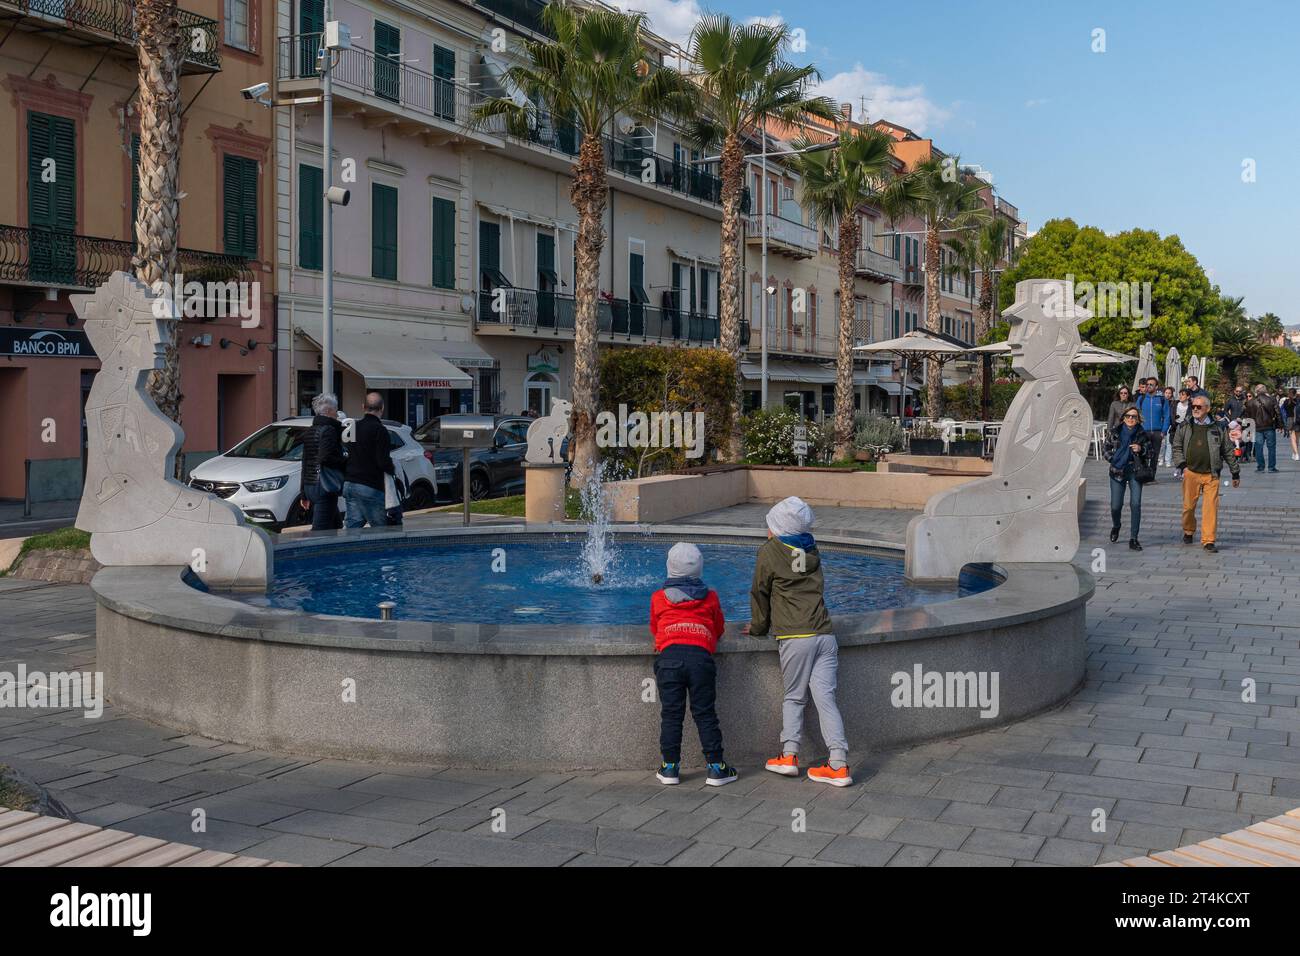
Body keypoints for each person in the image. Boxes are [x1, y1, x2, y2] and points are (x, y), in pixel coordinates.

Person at [742, 496, 851, 787]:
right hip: (825, 634)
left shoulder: (770, 551)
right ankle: (838, 764)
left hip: (796, 636)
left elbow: (759, 594)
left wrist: (757, 629)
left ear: (777, 528)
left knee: (794, 696)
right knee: (826, 699)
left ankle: (789, 756)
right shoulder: (812, 549)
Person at [648, 542, 736, 787]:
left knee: (672, 715)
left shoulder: (658, 598)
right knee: (705, 713)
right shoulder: (710, 597)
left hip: (669, 660)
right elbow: (719, 629)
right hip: (700, 660)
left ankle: (669, 768)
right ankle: (717, 768)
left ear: (669, 568)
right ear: (700, 569)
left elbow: (655, 629)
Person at [1173, 393, 1241, 552]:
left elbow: (1228, 451)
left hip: (1211, 475)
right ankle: (1188, 530)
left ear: (1207, 409)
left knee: (1210, 508)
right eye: (1193, 406)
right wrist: (1183, 466)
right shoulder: (1185, 426)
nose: (1195, 409)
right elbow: (1176, 446)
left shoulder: (1218, 427)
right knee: (1188, 507)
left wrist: (1235, 473)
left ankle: (1208, 540)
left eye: (1199, 407)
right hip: (1191, 473)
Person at [343, 391, 396, 528]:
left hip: (350, 484)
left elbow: (348, 452)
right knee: (381, 529)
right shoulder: (380, 430)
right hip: (369, 485)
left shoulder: (352, 427)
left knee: (352, 529)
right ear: (382, 408)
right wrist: (393, 470)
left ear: (363, 407)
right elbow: (382, 461)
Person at [1104, 406, 1154, 551]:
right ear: (1123, 418)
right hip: (1117, 470)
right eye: (1128, 416)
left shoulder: (1142, 434)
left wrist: (1141, 449)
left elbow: (1151, 453)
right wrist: (1113, 459)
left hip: (1135, 471)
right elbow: (1106, 449)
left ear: (1138, 419)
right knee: (1115, 506)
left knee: (1135, 504)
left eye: (1134, 417)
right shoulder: (1115, 432)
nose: (1131, 419)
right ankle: (1116, 525)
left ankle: (1133, 538)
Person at [299, 392, 346, 531]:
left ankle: (337, 551)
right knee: (320, 530)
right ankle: (312, 552)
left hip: (310, 485)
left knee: (336, 526)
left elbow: (305, 462)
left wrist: (303, 493)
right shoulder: (329, 430)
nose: (337, 414)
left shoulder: (310, 431)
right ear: (329, 411)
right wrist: (344, 459)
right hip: (325, 486)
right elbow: (325, 458)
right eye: (336, 410)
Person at [1134, 378, 1169, 476]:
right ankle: (1143, 473)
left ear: (1156, 387)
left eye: (1151, 384)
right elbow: (1136, 414)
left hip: (1157, 432)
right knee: (1143, 453)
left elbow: (1167, 416)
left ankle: (1152, 475)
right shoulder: (1141, 399)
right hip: (1143, 431)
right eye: (1147, 384)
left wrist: (1163, 431)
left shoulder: (1162, 399)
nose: (1148, 386)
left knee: (1155, 455)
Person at [1245, 384, 1280, 473]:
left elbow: (1247, 418)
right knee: (1271, 448)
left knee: (1258, 447)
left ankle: (1260, 467)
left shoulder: (1250, 402)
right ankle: (1271, 467)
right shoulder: (1271, 400)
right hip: (1269, 427)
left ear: (1256, 391)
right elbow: (1278, 413)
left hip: (1257, 428)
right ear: (1265, 390)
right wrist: (1280, 425)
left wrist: (1247, 430)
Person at [1159, 386, 1178, 468]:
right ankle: (1160, 458)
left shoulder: (1174, 403)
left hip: (1171, 425)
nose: (1167, 394)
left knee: (1169, 443)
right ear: (1164, 393)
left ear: (1172, 394)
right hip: (1162, 424)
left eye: (1169, 393)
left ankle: (1168, 460)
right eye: (1166, 393)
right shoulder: (1161, 401)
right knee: (1162, 443)